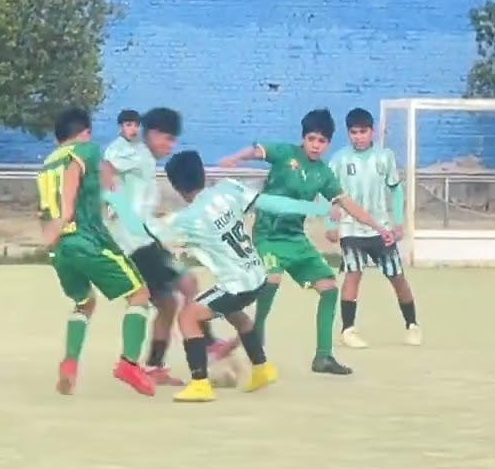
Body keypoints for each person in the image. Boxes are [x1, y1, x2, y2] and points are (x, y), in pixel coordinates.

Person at [119, 150, 335, 402]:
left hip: (236, 284)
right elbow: (272, 203)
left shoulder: (186, 219)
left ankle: (200, 384)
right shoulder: (228, 188)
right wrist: (312, 207)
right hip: (257, 273)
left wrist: (119, 201)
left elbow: (141, 230)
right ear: (202, 173)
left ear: (177, 187)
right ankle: (262, 369)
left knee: (189, 317)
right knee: (236, 314)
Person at [219, 108, 394, 376]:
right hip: (267, 235)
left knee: (328, 288)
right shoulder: (285, 153)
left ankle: (323, 357)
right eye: (311, 139)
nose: (316, 145)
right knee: (272, 280)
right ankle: (257, 345)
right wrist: (233, 159)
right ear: (303, 139)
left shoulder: (323, 174)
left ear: (328, 144)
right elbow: (257, 150)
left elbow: (347, 204)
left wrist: (378, 227)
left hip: (295, 238)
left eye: (322, 141)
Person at [101, 107, 225, 386]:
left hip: (143, 242)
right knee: (188, 283)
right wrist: (108, 198)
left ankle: (155, 366)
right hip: (135, 244)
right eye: (167, 139)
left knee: (167, 303)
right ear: (152, 134)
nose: (171, 146)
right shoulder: (137, 153)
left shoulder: (143, 162)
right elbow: (105, 165)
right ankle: (208, 343)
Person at [38, 107, 154, 397]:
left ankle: (69, 365)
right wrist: (71, 213)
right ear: (85, 132)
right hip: (86, 238)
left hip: (59, 247)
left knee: (84, 302)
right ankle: (129, 364)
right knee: (139, 295)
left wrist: (50, 238)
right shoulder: (85, 150)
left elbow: (44, 209)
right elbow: (83, 178)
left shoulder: (47, 163)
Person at [325, 107, 421, 349]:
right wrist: (330, 223)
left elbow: (395, 190)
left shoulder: (385, 157)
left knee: (397, 277)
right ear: (348, 134)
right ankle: (348, 329)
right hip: (351, 228)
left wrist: (398, 221)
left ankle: (412, 325)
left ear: (372, 131)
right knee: (353, 274)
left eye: (363, 131)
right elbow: (327, 195)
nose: (358, 136)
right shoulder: (339, 160)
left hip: (381, 229)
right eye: (354, 132)